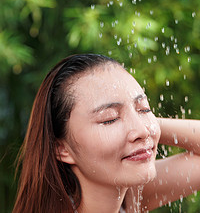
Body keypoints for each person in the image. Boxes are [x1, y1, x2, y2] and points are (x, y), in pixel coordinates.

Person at [12, 54, 200, 213]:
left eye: (144, 108)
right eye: (109, 119)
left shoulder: (128, 196)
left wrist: (146, 124)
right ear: (62, 148)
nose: (142, 131)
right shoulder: (133, 196)